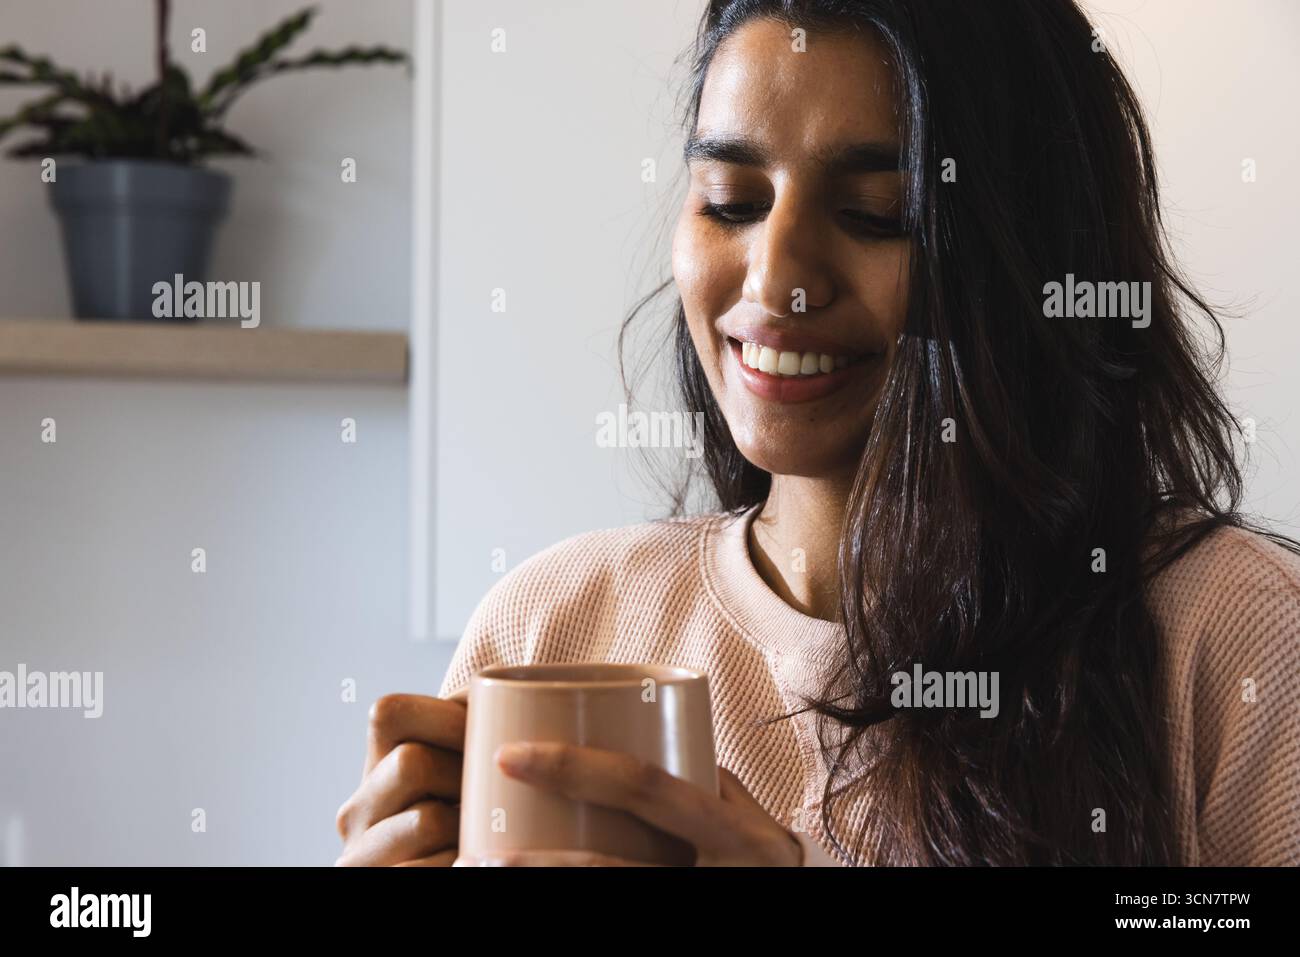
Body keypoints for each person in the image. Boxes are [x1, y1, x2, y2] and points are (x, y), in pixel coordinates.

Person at [336, 0, 1300, 867]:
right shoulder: (555, 624)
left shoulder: (1233, 637)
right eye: (732, 202)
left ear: (1032, 255)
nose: (774, 281)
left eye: (876, 214)